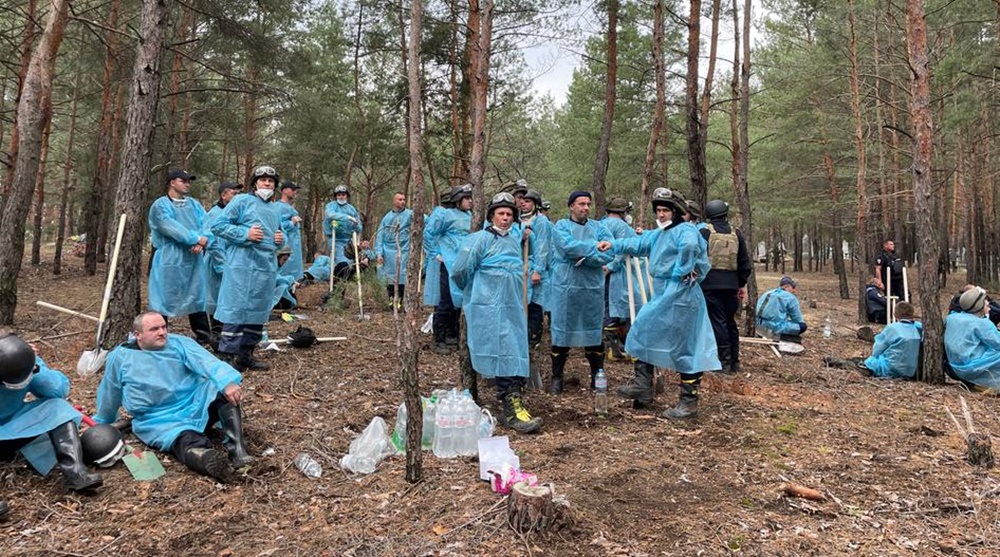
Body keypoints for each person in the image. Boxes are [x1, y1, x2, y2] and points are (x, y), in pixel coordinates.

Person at [598, 188, 720, 418]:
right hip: (664, 293)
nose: (662, 214)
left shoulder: (686, 231)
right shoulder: (659, 234)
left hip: (683, 296)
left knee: (686, 347)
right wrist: (612, 245)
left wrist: (680, 274)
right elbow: (639, 244)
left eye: (666, 210)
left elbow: (691, 250)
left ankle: (688, 403)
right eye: (659, 210)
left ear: (675, 212)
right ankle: (643, 385)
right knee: (643, 331)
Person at [95, 312, 249, 483]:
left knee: (219, 388)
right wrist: (103, 419)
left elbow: (207, 362)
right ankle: (205, 458)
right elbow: (110, 390)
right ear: (138, 335)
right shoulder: (120, 358)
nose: (162, 332)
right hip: (159, 419)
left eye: (163, 327)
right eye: (154, 329)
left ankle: (238, 450)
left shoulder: (179, 343)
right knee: (186, 440)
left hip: (194, 403)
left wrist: (227, 382)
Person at [451, 193, 542, 434]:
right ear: (492, 215)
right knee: (499, 351)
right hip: (486, 308)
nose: (505, 218)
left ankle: (513, 402)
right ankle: (510, 405)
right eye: (501, 213)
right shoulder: (479, 239)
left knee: (513, 349)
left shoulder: (515, 241)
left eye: (509, 214)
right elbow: (460, 271)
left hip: (512, 308)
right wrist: (475, 293)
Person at [0, 333, 104, 493]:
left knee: (57, 407)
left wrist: (33, 363)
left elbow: (56, 391)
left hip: (10, 430)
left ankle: (76, 473)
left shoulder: (24, 360)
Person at [211, 165, 284, 372]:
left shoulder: (274, 209)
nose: (267, 183)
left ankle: (245, 356)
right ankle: (227, 356)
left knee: (258, 310)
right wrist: (245, 234)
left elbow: (277, 234)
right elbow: (218, 226)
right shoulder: (241, 201)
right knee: (236, 308)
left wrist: (280, 239)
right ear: (255, 183)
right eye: (263, 180)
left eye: (271, 180)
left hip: (266, 267)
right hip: (242, 264)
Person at [548, 190, 614, 394]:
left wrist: (584, 257)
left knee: (593, 332)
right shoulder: (561, 226)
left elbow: (609, 253)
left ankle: (597, 377)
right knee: (561, 332)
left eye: (588, 204)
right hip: (566, 288)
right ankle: (557, 378)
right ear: (571, 206)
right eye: (581, 204)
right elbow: (568, 248)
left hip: (591, 288)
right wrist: (594, 248)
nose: (585, 207)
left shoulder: (599, 227)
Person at [148, 169, 215, 346]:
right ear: (172, 182)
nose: (187, 184)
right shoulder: (161, 205)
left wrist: (203, 241)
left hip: (194, 258)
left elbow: (206, 223)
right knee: (163, 297)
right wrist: (195, 239)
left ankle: (204, 336)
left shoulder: (194, 204)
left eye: (189, 181)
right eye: (182, 180)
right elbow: (169, 226)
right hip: (170, 258)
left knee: (196, 295)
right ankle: (159, 337)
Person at [699, 199, 752, 373]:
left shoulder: (704, 232)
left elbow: (697, 258)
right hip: (731, 286)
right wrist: (740, 283)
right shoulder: (736, 234)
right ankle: (734, 361)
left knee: (717, 322)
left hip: (709, 285)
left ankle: (723, 362)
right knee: (730, 322)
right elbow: (744, 263)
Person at [424, 184, 473, 354]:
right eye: (467, 198)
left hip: (464, 263)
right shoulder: (444, 214)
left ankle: (453, 334)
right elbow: (429, 233)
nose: (470, 201)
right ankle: (439, 338)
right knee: (445, 300)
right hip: (447, 262)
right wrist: (435, 253)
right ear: (458, 199)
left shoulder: (470, 216)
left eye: (470, 198)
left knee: (459, 300)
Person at [601, 197, 642, 360]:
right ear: (623, 211)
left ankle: (613, 348)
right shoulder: (622, 226)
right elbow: (624, 249)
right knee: (622, 309)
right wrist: (611, 266)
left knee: (608, 307)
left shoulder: (600, 223)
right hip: (618, 274)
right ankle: (621, 349)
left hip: (602, 270)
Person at [205, 181, 243, 338]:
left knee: (229, 299)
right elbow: (212, 242)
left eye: (238, 194)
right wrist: (222, 265)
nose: (237, 197)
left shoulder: (233, 214)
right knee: (217, 299)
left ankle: (228, 333)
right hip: (216, 262)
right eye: (234, 193)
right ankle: (216, 334)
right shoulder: (215, 214)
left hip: (231, 262)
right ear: (223, 195)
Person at [944, 287, 1000, 392]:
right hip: (971, 367)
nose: (989, 306)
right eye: (986, 303)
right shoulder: (982, 323)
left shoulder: (952, 318)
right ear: (979, 306)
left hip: (954, 367)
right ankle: (988, 384)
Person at [519, 188, 551, 348]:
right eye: (522, 200)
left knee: (535, 304)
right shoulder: (517, 220)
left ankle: (533, 338)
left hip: (535, 267)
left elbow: (542, 247)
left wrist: (538, 270)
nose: (524, 203)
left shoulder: (541, 221)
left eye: (528, 201)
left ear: (535, 204)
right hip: (520, 266)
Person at [860, 302, 921, 379]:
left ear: (895, 314)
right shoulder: (918, 327)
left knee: (870, 362)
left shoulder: (892, 328)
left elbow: (878, 348)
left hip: (890, 368)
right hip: (910, 371)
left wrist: (874, 356)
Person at [374, 192, 413, 307]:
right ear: (394, 201)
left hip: (404, 250)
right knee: (390, 276)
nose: (402, 202)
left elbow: (425, 220)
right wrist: (379, 253)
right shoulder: (387, 218)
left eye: (404, 199)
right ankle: (392, 300)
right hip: (388, 251)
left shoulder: (410, 214)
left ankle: (400, 301)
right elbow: (380, 236)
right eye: (399, 199)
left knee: (402, 275)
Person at [422, 188, 456, 309]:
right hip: (440, 258)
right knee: (441, 292)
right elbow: (427, 234)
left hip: (451, 258)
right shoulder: (440, 213)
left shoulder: (456, 214)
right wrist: (435, 254)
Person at [756, 276, 807, 342]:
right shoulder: (790, 297)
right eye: (793, 287)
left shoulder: (768, 292)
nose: (794, 291)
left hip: (758, 324)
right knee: (803, 326)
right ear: (787, 286)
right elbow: (798, 319)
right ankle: (780, 335)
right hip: (772, 327)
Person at [323, 184, 363, 266]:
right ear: (336, 196)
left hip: (348, 242)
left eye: (343, 195)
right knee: (341, 261)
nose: (341, 197)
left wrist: (355, 224)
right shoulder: (331, 206)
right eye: (339, 195)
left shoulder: (351, 209)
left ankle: (345, 277)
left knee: (350, 262)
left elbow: (359, 227)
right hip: (335, 239)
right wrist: (347, 217)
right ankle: (338, 276)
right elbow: (330, 215)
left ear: (347, 196)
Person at [277, 180, 304, 282]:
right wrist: (291, 223)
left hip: (294, 246)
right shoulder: (279, 207)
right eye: (292, 189)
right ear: (284, 191)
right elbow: (277, 226)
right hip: (285, 246)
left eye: (295, 190)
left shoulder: (289, 208)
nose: (295, 192)